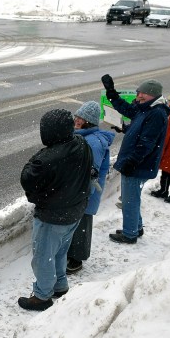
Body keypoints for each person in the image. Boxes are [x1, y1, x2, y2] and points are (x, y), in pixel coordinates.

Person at [18, 109, 93, 311]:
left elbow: (28, 178)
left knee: (43, 257)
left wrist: (37, 197)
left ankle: (42, 296)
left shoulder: (48, 159)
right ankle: (60, 285)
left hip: (53, 216)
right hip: (75, 211)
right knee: (60, 252)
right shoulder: (81, 144)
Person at [101, 75, 170, 243]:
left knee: (129, 200)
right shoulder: (146, 108)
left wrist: (131, 162)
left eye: (143, 94)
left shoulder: (156, 113)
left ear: (153, 95)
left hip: (138, 164)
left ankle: (130, 234)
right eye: (139, 92)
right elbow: (128, 111)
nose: (139, 96)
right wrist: (112, 93)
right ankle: (136, 228)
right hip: (138, 162)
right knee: (132, 198)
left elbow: (146, 143)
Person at [66, 101, 115, 274]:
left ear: (90, 121)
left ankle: (77, 259)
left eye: (82, 118)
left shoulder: (93, 142)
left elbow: (91, 173)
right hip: (80, 190)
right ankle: (72, 254)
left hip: (86, 191)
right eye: (77, 116)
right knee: (77, 223)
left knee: (82, 224)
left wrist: (84, 193)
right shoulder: (83, 136)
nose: (77, 120)